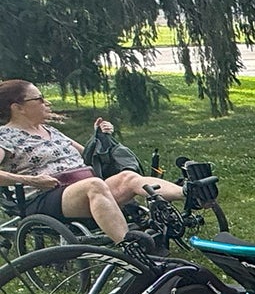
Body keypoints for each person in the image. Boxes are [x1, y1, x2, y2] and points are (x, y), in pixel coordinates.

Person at [0, 80, 184, 242]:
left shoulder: (50, 130)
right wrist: (31, 180)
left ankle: (188, 192)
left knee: (128, 177)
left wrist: (99, 136)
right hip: (44, 196)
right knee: (94, 185)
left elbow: (87, 155)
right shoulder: (5, 136)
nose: (46, 102)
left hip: (83, 187)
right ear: (17, 108)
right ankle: (129, 245)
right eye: (39, 98)